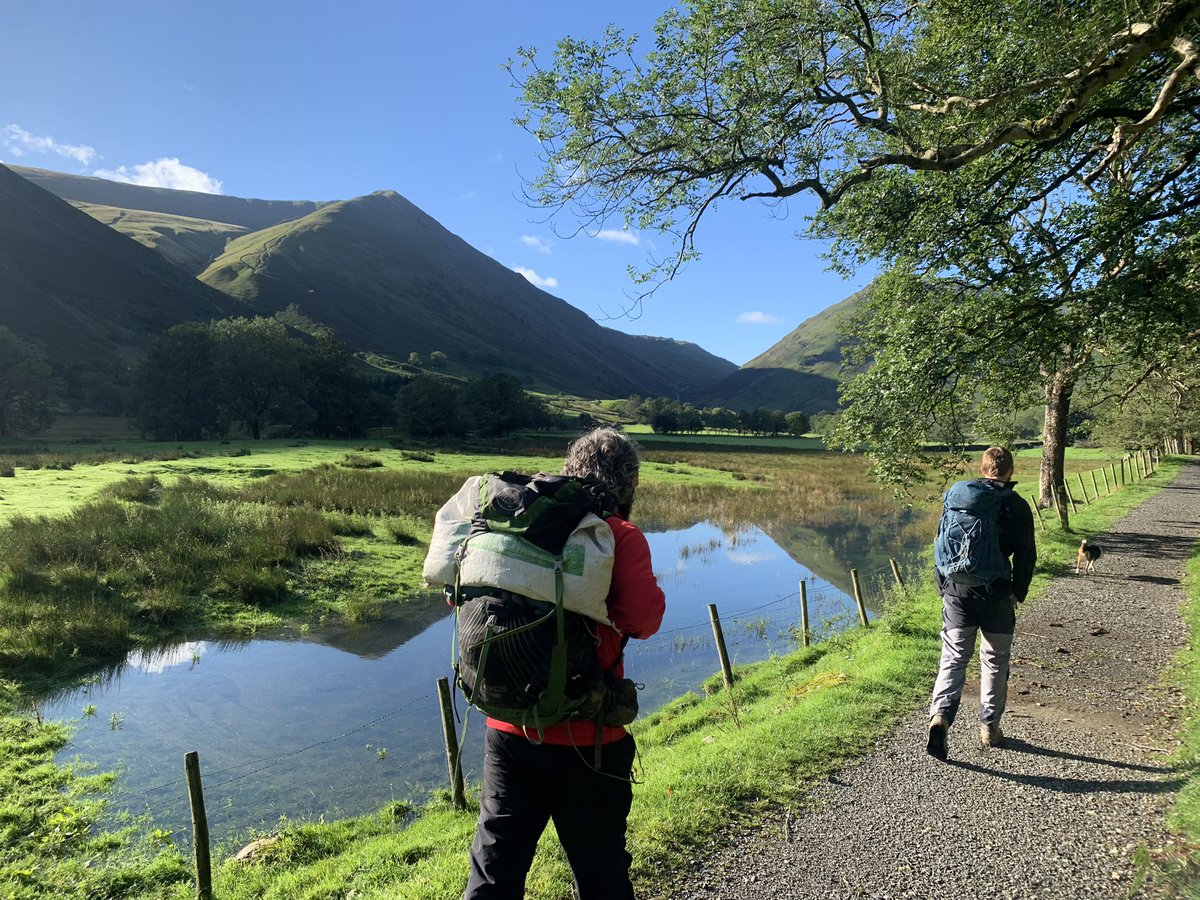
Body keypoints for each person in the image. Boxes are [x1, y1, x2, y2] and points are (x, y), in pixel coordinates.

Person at [464, 427, 666, 899]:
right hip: (588, 739)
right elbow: (643, 620)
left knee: (495, 868)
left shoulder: (510, 524)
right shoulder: (616, 536)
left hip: (508, 729)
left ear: (570, 468)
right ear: (630, 481)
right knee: (601, 875)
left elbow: (469, 601)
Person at [926, 446, 1036, 760]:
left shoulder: (958, 497)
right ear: (1010, 471)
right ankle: (990, 728)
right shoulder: (1015, 505)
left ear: (982, 468)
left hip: (958, 592)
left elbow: (940, 542)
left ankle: (940, 717)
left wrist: (943, 585)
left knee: (954, 659)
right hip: (998, 594)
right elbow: (1027, 555)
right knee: (995, 660)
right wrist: (1018, 591)